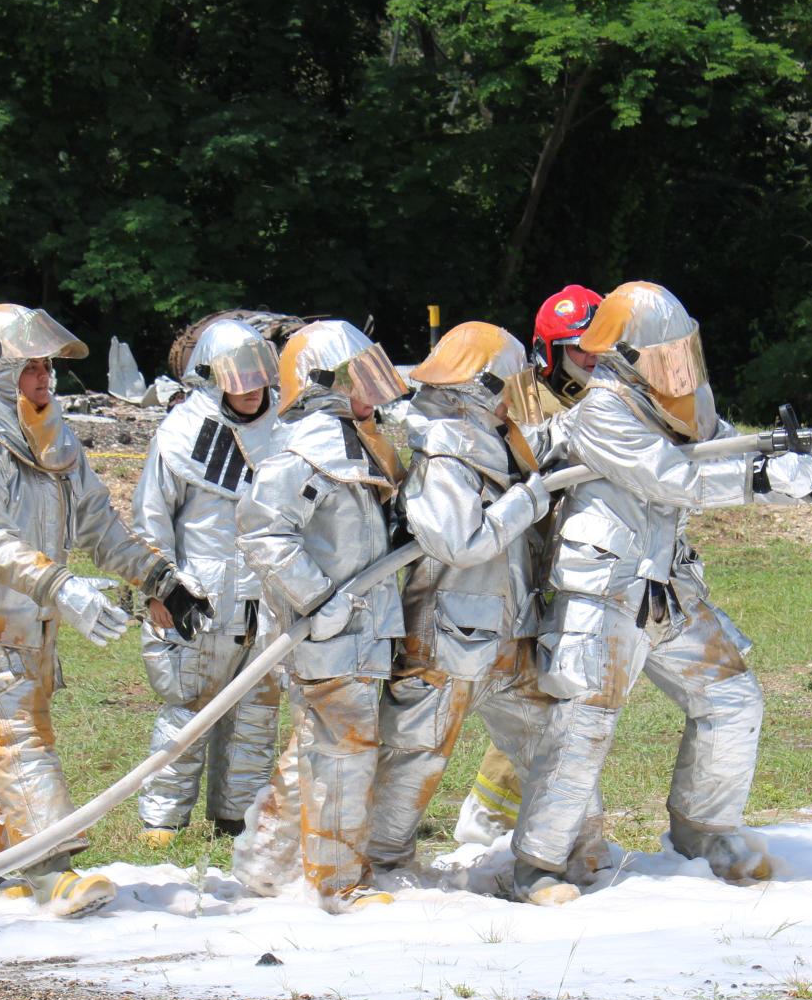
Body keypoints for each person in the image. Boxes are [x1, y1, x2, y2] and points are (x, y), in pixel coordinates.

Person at [509, 281, 812, 904]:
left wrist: (806, 471)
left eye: (679, 351)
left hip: (665, 584)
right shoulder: (600, 409)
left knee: (731, 697)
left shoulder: (681, 397)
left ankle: (705, 833)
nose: (675, 366)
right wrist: (758, 476)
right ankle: (537, 865)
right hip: (604, 588)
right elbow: (674, 479)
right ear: (621, 355)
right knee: (583, 726)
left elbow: (731, 451)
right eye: (660, 354)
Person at [0, 304, 211, 917]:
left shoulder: (52, 439)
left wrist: (163, 581)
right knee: (18, 736)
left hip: (33, 619)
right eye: (31, 368)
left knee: (0, 736)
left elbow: (100, 526)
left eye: (47, 367)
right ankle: (54, 872)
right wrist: (63, 586)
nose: (44, 379)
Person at [367, 323, 579, 888]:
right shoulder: (443, 451)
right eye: (509, 384)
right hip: (445, 639)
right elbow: (458, 542)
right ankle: (381, 867)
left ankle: (555, 859)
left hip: (510, 633)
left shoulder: (495, 441)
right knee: (415, 757)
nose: (518, 395)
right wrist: (530, 498)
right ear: (479, 387)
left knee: (553, 748)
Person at [230, 320, 409, 905]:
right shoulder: (307, 454)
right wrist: (317, 599)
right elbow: (264, 534)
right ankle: (336, 885)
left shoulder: (350, 443)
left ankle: (264, 866)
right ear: (325, 381)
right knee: (343, 755)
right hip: (331, 633)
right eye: (362, 374)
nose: (375, 388)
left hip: (356, 630)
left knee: (317, 743)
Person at [452, 284, 603, 849]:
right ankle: (488, 817)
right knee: (540, 699)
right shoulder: (526, 405)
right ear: (548, 351)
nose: (590, 357)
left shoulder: (611, 397)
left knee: (555, 697)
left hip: (586, 566)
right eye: (577, 347)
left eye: (597, 344)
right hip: (531, 570)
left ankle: (499, 812)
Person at [130, 320, 287, 847]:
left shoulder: (287, 429)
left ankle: (237, 817)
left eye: (256, 373)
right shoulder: (180, 433)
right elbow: (151, 517)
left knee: (257, 713)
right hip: (197, 594)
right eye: (235, 375)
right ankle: (163, 820)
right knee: (187, 707)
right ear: (213, 377)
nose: (247, 386)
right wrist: (159, 587)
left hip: (266, 599)